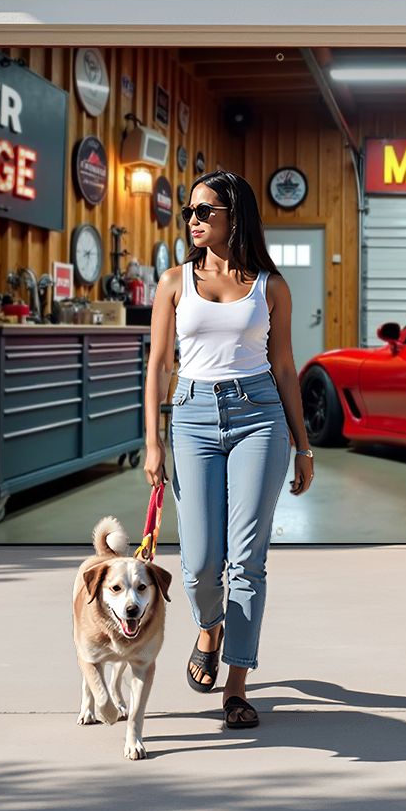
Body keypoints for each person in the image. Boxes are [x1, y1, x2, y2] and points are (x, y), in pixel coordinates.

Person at [143, 169, 315, 730]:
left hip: (259, 416)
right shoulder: (173, 282)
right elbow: (159, 365)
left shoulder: (271, 286)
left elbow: (285, 365)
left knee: (247, 560)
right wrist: (151, 441)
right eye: (189, 211)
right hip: (192, 417)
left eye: (203, 211)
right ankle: (209, 627)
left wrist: (304, 443)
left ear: (233, 217)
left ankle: (237, 684)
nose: (192, 220)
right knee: (197, 565)